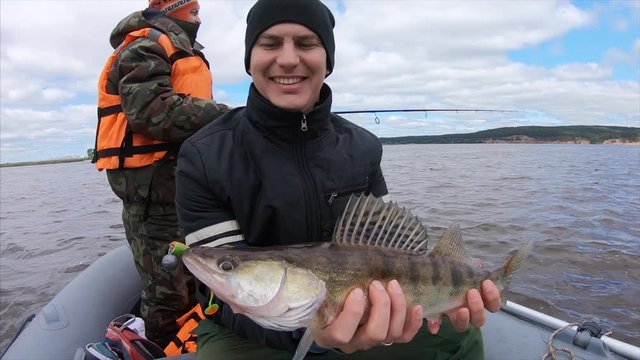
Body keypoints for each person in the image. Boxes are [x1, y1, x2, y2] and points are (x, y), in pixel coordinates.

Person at [175, 0, 501, 358]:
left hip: (367, 317)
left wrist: (439, 296)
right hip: (247, 333)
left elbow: (395, 246)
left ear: (327, 61)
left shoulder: (363, 146)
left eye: (305, 43)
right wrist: (318, 338)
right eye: (269, 43)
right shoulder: (203, 156)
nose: (287, 59)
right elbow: (223, 296)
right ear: (249, 59)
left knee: (463, 337)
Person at [92, 0, 229, 348]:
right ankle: (164, 346)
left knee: (191, 278)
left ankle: (195, 340)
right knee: (166, 293)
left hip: (182, 187)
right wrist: (229, 116)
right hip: (152, 195)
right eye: (194, 12)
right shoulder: (143, 45)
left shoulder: (181, 48)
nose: (200, 18)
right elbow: (150, 111)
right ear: (173, 9)